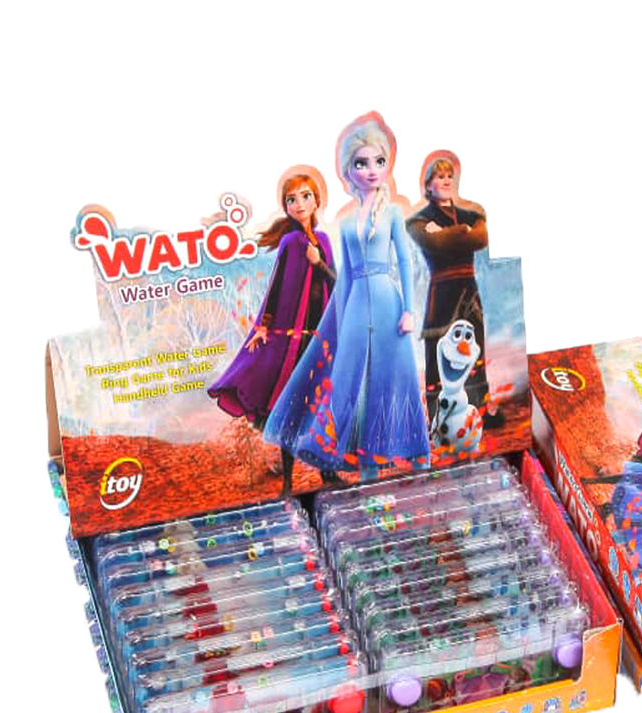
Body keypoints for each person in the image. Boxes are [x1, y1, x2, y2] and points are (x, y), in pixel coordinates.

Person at [264, 114, 429, 481]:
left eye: (378, 162)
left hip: (387, 301)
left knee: (393, 373)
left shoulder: (392, 213)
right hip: (354, 304)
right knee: (349, 374)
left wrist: (409, 310)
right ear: (348, 171)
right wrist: (336, 320)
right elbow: (346, 276)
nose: (371, 170)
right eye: (361, 163)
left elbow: (403, 261)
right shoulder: (345, 221)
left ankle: (406, 449)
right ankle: (359, 455)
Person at [208, 171, 335, 494]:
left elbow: (336, 284)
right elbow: (277, 286)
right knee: (291, 407)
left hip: (319, 339)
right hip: (294, 341)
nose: (299, 204)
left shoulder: (323, 241)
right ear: (286, 207)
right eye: (292, 199)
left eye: (305, 196)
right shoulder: (291, 242)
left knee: (322, 406)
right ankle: (289, 481)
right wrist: (263, 325)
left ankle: (327, 472)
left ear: (317, 200)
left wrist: (318, 262)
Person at [406, 153, 503, 427]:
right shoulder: (417, 221)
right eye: (440, 176)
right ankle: (440, 417)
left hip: (469, 290)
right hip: (442, 292)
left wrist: (448, 231)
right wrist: (463, 232)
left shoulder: (473, 215)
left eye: (450, 176)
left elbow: (480, 239)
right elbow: (435, 245)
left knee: (474, 348)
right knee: (438, 351)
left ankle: (479, 411)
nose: (447, 180)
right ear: (428, 185)